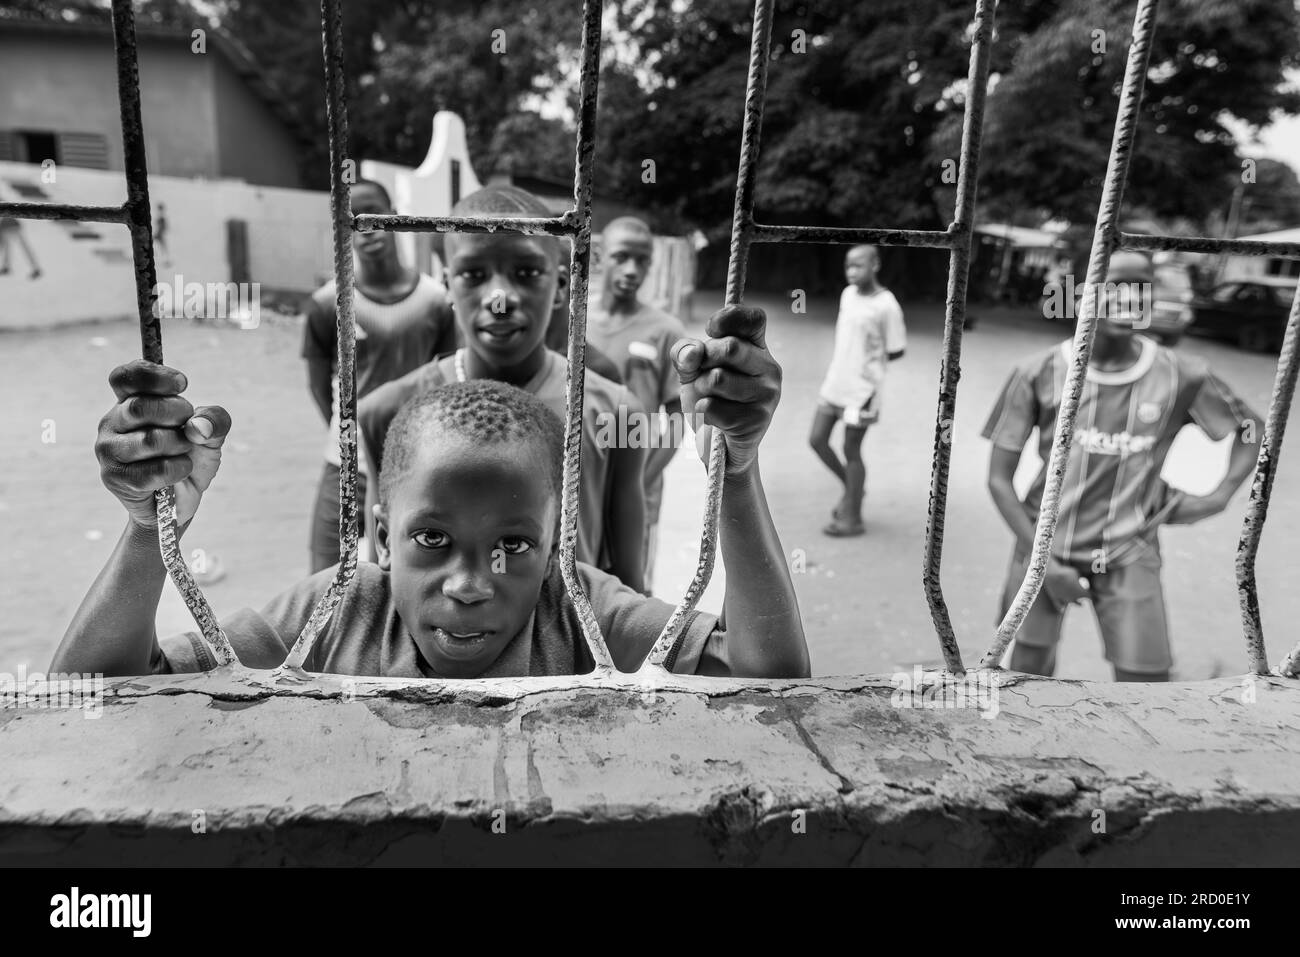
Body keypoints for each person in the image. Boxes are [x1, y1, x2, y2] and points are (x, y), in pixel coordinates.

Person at [51, 305, 810, 681]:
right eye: (433, 539)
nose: (472, 585)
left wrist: (735, 468)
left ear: (555, 544)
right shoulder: (337, 609)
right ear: (382, 533)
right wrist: (149, 527)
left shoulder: (580, 610)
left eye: (514, 544)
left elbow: (768, 682)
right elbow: (99, 694)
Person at [983, 250, 1260, 682]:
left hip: (1129, 550)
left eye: (1140, 285)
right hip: (1043, 545)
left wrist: (1221, 495)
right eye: (1111, 285)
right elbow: (999, 479)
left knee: (1145, 683)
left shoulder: (1181, 375)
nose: (1127, 298)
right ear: (1081, 293)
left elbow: (1251, 430)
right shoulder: (1038, 372)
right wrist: (1044, 565)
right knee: (1026, 675)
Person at [359, 185, 648, 592]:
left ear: (562, 285)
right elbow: (384, 579)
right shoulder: (386, 413)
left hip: (573, 648)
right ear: (448, 286)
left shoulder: (616, 414)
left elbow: (630, 584)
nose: (499, 299)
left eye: (527, 273)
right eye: (474, 275)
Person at [302, 178, 456, 573]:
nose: (366, 227)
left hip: (417, 462)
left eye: (375, 214)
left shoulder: (434, 301)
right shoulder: (327, 304)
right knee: (325, 580)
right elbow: (318, 384)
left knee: (404, 574)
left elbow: (448, 375)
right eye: (351, 219)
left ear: (396, 220)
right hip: (346, 464)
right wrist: (348, 436)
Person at [586, 217, 687, 590]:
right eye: (622, 257)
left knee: (630, 591)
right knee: (575, 585)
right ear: (599, 258)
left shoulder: (665, 330)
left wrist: (639, 480)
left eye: (642, 260)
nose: (632, 269)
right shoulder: (577, 321)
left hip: (636, 482)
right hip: (582, 476)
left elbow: (677, 418)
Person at [809, 245, 906, 536]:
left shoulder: (886, 305)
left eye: (859, 265)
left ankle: (852, 519)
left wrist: (869, 366)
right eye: (848, 266)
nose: (852, 272)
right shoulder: (847, 295)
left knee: (851, 449)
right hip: (834, 385)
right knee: (817, 440)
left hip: (862, 394)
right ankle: (853, 490)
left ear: (875, 264)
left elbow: (896, 350)